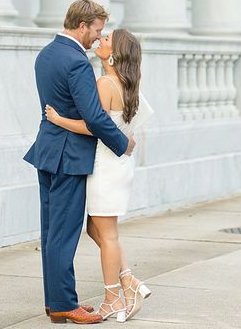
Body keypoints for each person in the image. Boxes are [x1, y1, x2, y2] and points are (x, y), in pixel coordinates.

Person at [23, 0, 136, 325]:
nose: (97, 38)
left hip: (46, 151)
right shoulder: (76, 62)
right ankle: (62, 305)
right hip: (69, 157)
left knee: (50, 231)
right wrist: (122, 143)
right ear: (82, 25)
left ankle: (56, 301)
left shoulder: (46, 54)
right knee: (64, 233)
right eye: (97, 31)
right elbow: (95, 116)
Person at [45, 28, 153, 323]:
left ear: (114, 56)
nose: (101, 39)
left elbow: (94, 126)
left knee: (106, 235)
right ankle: (129, 280)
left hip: (105, 167)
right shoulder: (129, 86)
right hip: (117, 167)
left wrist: (59, 120)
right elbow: (131, 123)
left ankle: (112, 298)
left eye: (106, 40)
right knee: (97, 230)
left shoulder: (105, 83)